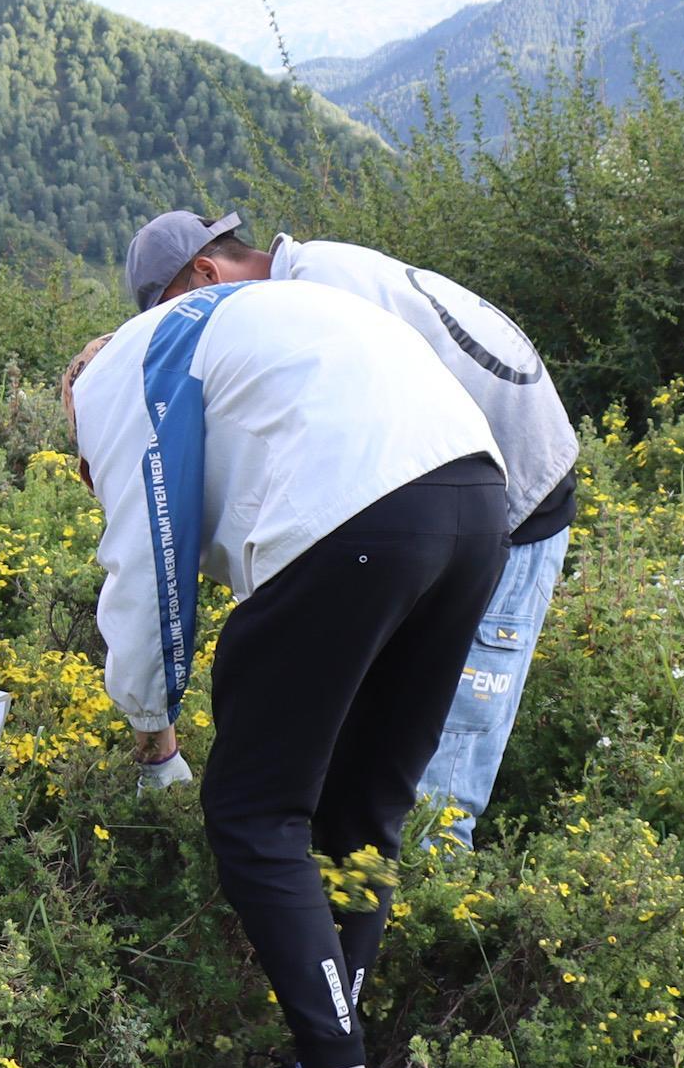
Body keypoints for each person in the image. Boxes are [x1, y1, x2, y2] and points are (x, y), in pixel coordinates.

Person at [67, 276, 506, 1068]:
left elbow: (146, 568)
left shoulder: (114, 382)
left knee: (252, 809)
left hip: (357, 508)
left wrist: (155, 739)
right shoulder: (221, 329)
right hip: (475, 498)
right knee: (364, 809)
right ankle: (333, 1058)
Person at [129, 211, 578, 846]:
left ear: (206, 273)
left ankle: (433, 895)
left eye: (180, 313)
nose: (189, 336)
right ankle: (358, 883)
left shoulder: (314, 295)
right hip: (450, 493)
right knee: (386, 733)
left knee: (441, 763)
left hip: (517, 498)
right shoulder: (315, 272)